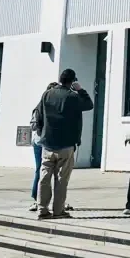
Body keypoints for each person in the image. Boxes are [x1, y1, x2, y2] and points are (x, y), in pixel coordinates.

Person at [33, 69, 93, 219]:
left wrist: (41, 132)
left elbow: (38, 114)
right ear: (72, 81)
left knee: (44, 177)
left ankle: (42, 209)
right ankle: (58, 210)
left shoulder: (47, 94)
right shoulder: (72, 96)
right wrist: (80, 90)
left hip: (48, 143)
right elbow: (89, 104)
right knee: (61, 179)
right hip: (66, 143)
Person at [29, 82, 59, 212]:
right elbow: (33, 125)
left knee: (56, 172)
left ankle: (56, 201)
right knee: (40, 170)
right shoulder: (39, 107)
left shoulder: (56, 107)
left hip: (52, 142)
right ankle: (36, 199)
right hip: (40, 142)